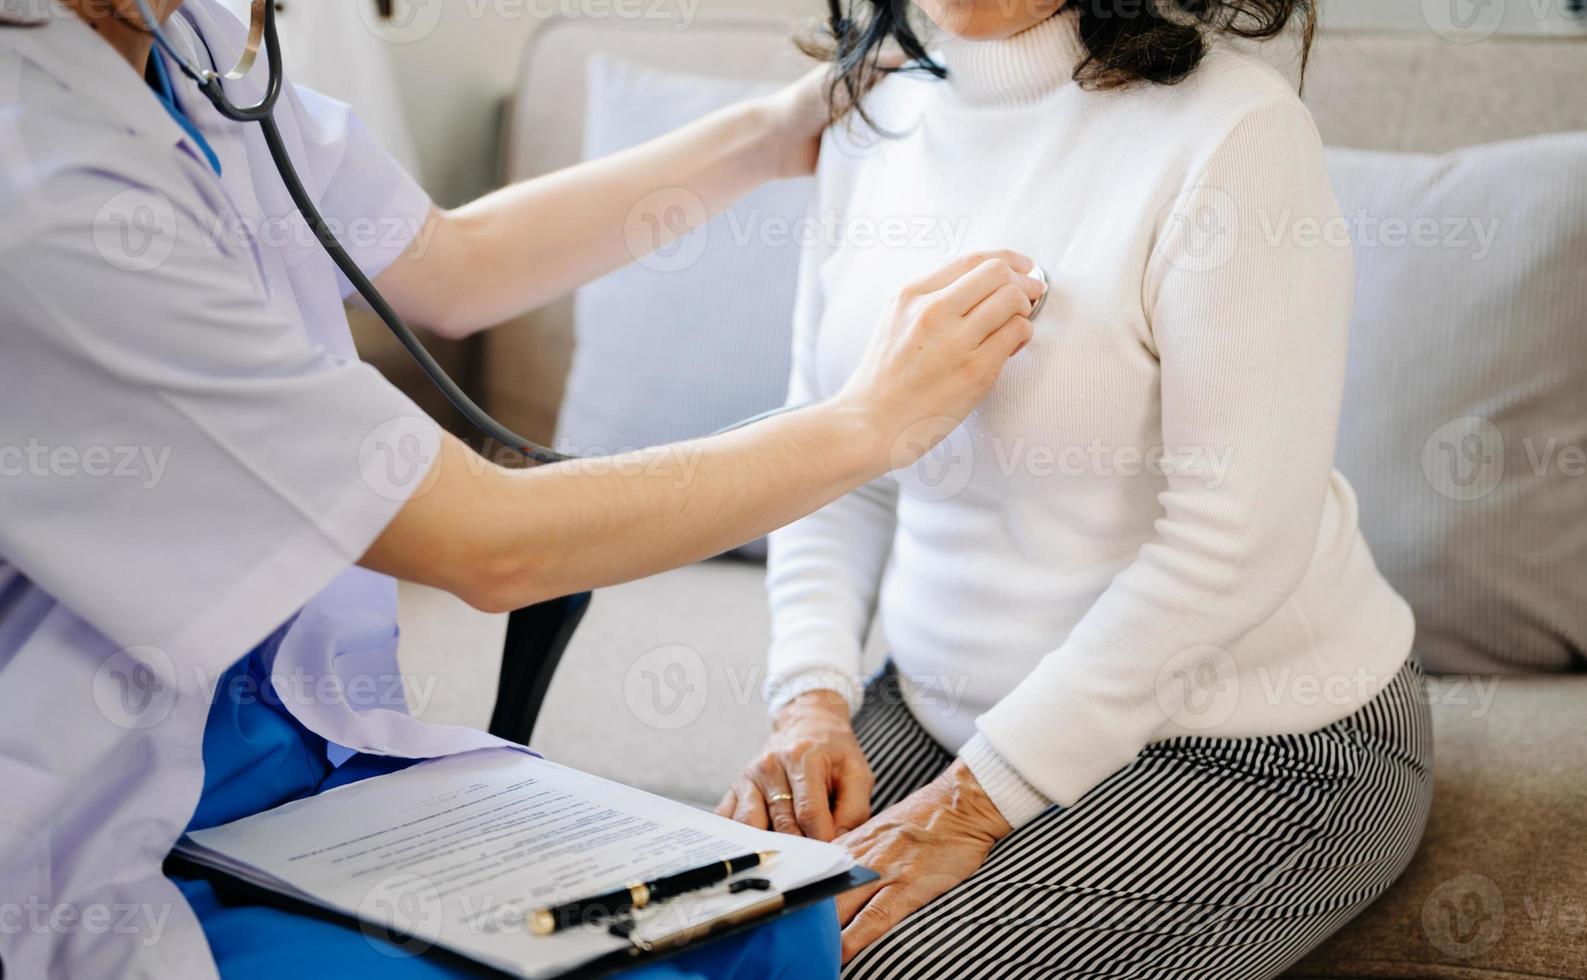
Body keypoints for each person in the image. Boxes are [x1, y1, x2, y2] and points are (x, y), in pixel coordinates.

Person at [0, 1, 1047, 977]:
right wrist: (871, 422)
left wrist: (775, 131)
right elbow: (489, 544)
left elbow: (459, 265)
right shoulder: (45, 183)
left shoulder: (194, 56)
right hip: (112, 834)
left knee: (778, 934)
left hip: (309, 763)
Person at [718, 1, 1434, 976]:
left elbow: (1236, 542)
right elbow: (835, 462)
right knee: (712, 936)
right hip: (942, 712)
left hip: (1256, 737)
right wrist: (809, 698)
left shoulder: (1235, 134)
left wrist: (980, 796)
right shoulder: (870, 118)